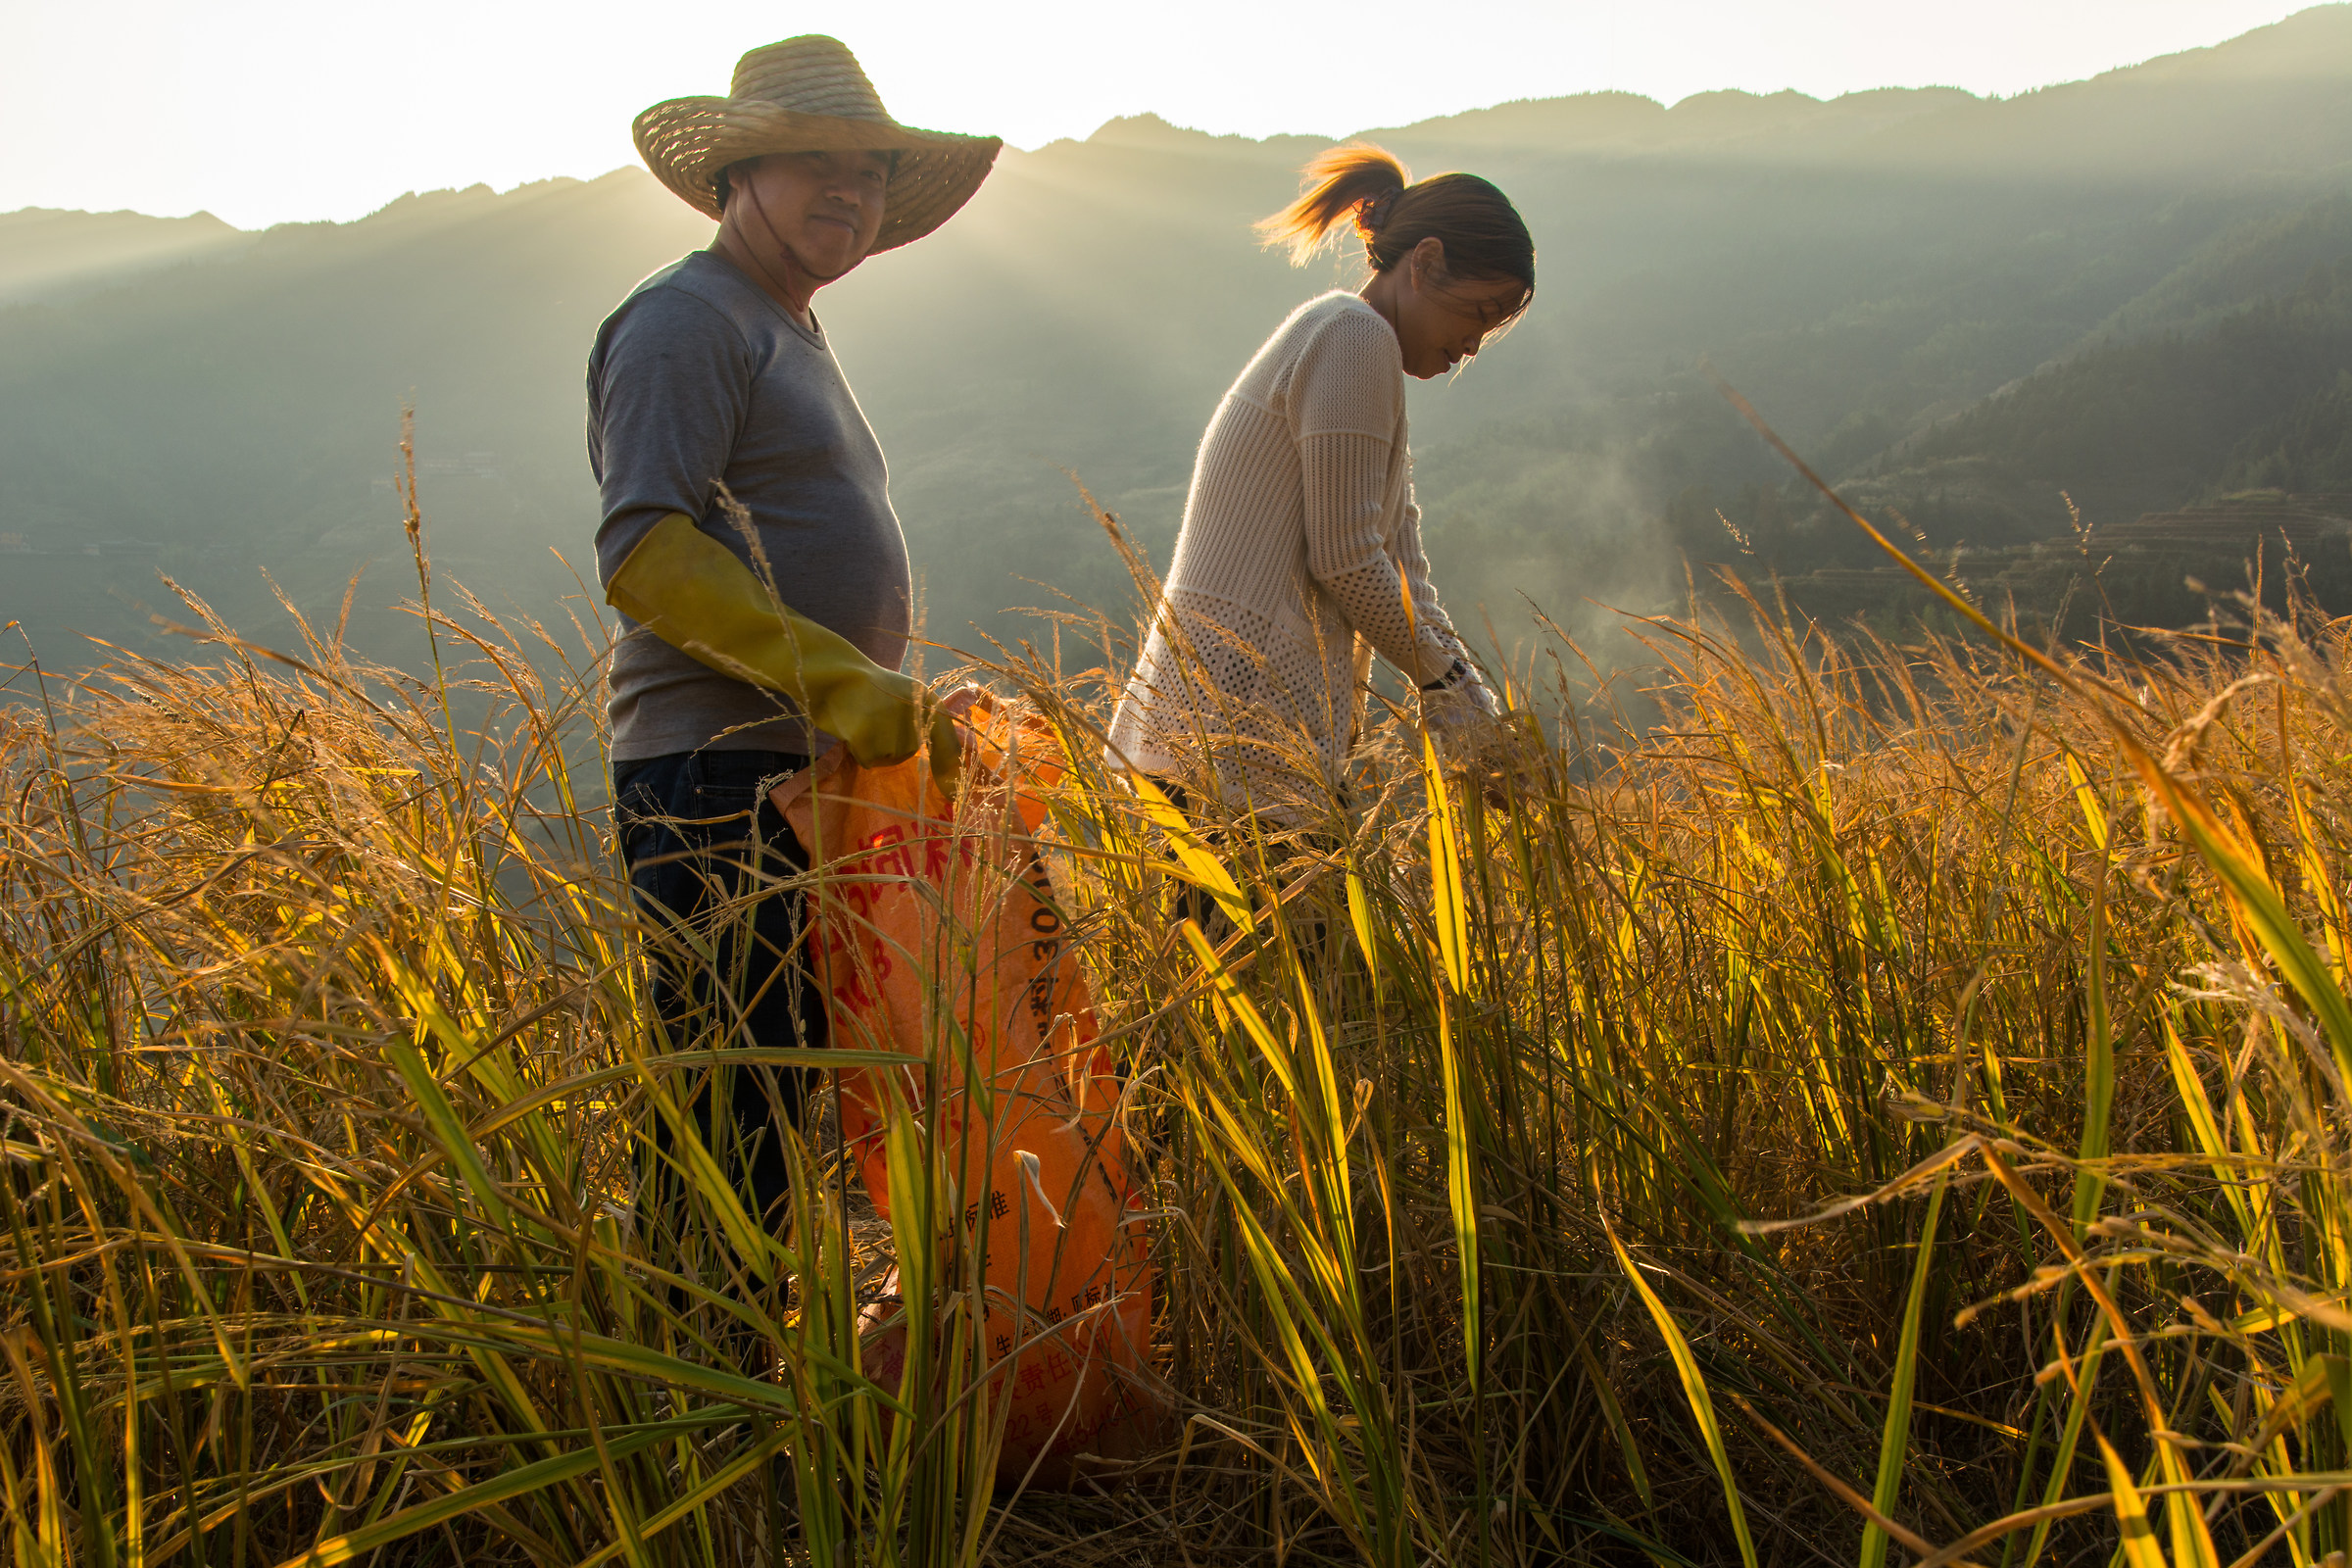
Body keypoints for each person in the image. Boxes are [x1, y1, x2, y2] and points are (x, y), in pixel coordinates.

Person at [590, 35, 998, 1239]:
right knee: (731, 1107)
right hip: (721, 777)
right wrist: (842, 679)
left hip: (797, 772)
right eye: (811, 163)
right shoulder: (684, 319)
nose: (848, 191)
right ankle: (693, 1393)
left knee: (774, 1100)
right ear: (734, 180)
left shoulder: (779, 323)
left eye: (868, 171)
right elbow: (646, 553)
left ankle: (746, 1374)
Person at [1104, 145, 1532, 830]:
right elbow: (1348, 558)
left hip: (1227, 739)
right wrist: (1445, 683)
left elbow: (1403, 565)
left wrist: (1474, 718)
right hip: (1233, 739)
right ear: (1423, 264)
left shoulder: (1355, 344)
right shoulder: (1353, 339)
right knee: (1295, 939)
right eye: (1479, 313)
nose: (1474, 345)